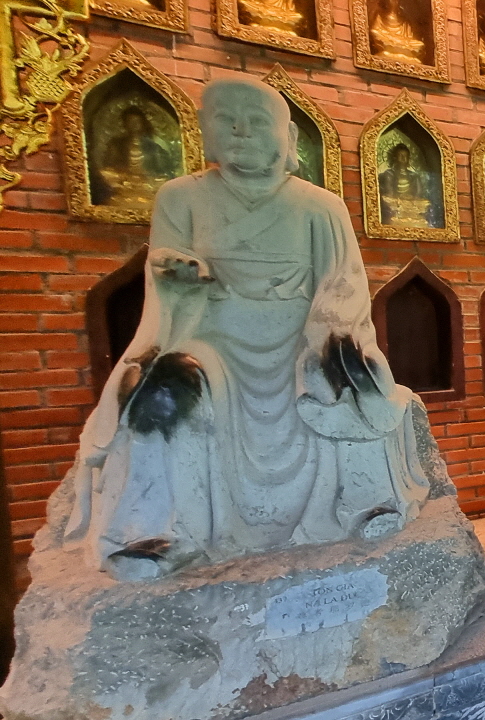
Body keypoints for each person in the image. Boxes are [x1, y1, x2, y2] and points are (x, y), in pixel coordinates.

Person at [58, 78, 431, 581]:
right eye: (226, 121)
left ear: (288, 137)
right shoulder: (181, 197)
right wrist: (176, 275)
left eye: (257, 122)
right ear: (204, 132)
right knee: (163, 389)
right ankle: (160, 531)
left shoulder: (320, 206)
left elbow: (344, 283)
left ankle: (365, 503)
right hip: (213, 341)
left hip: (302, 337)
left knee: (347, 378)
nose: (241, 131)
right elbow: (163, 276)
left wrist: (331, 335)